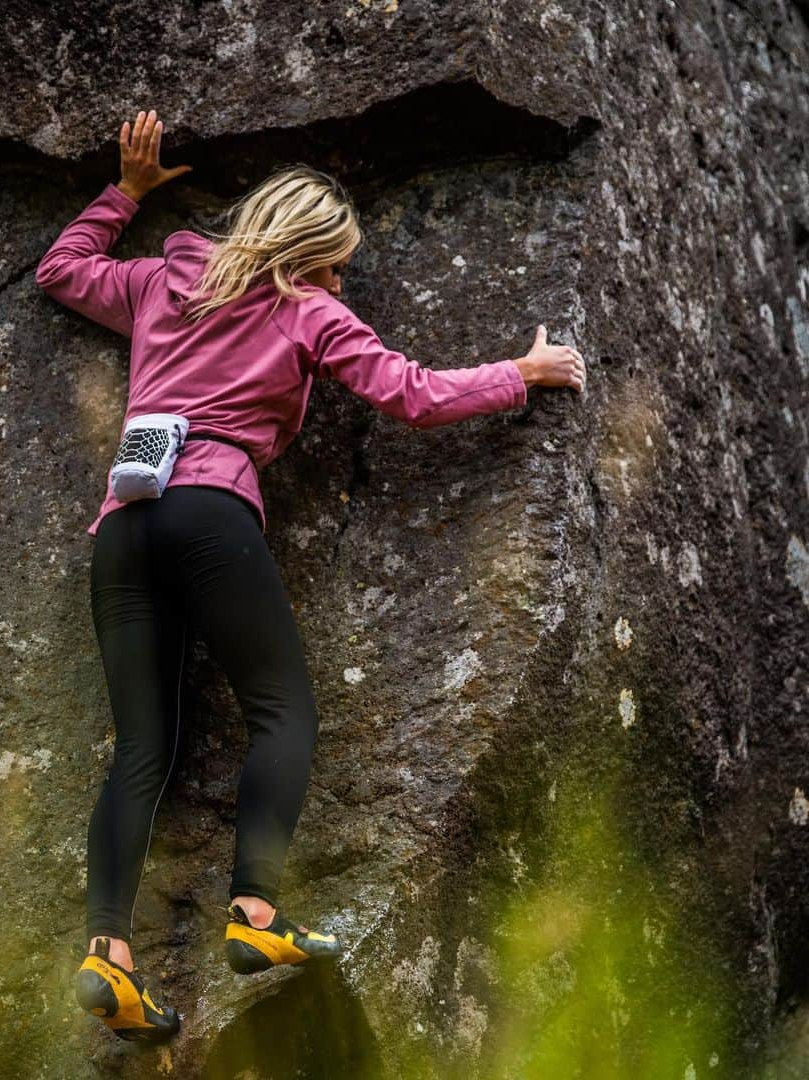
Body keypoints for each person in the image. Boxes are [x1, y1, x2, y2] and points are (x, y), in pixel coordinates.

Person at [35, 108, 586, 1042]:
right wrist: (520, 373)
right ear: (311, 255)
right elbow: (409, 394)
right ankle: (255, 915)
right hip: (212, 509)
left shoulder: (169, 278)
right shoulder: (306, 308)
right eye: (338, 264)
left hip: (123, 525)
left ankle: (110, 957)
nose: (341, 281)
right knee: (283, 712)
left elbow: (61, 273)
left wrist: (124, 192)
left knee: (141, 747)